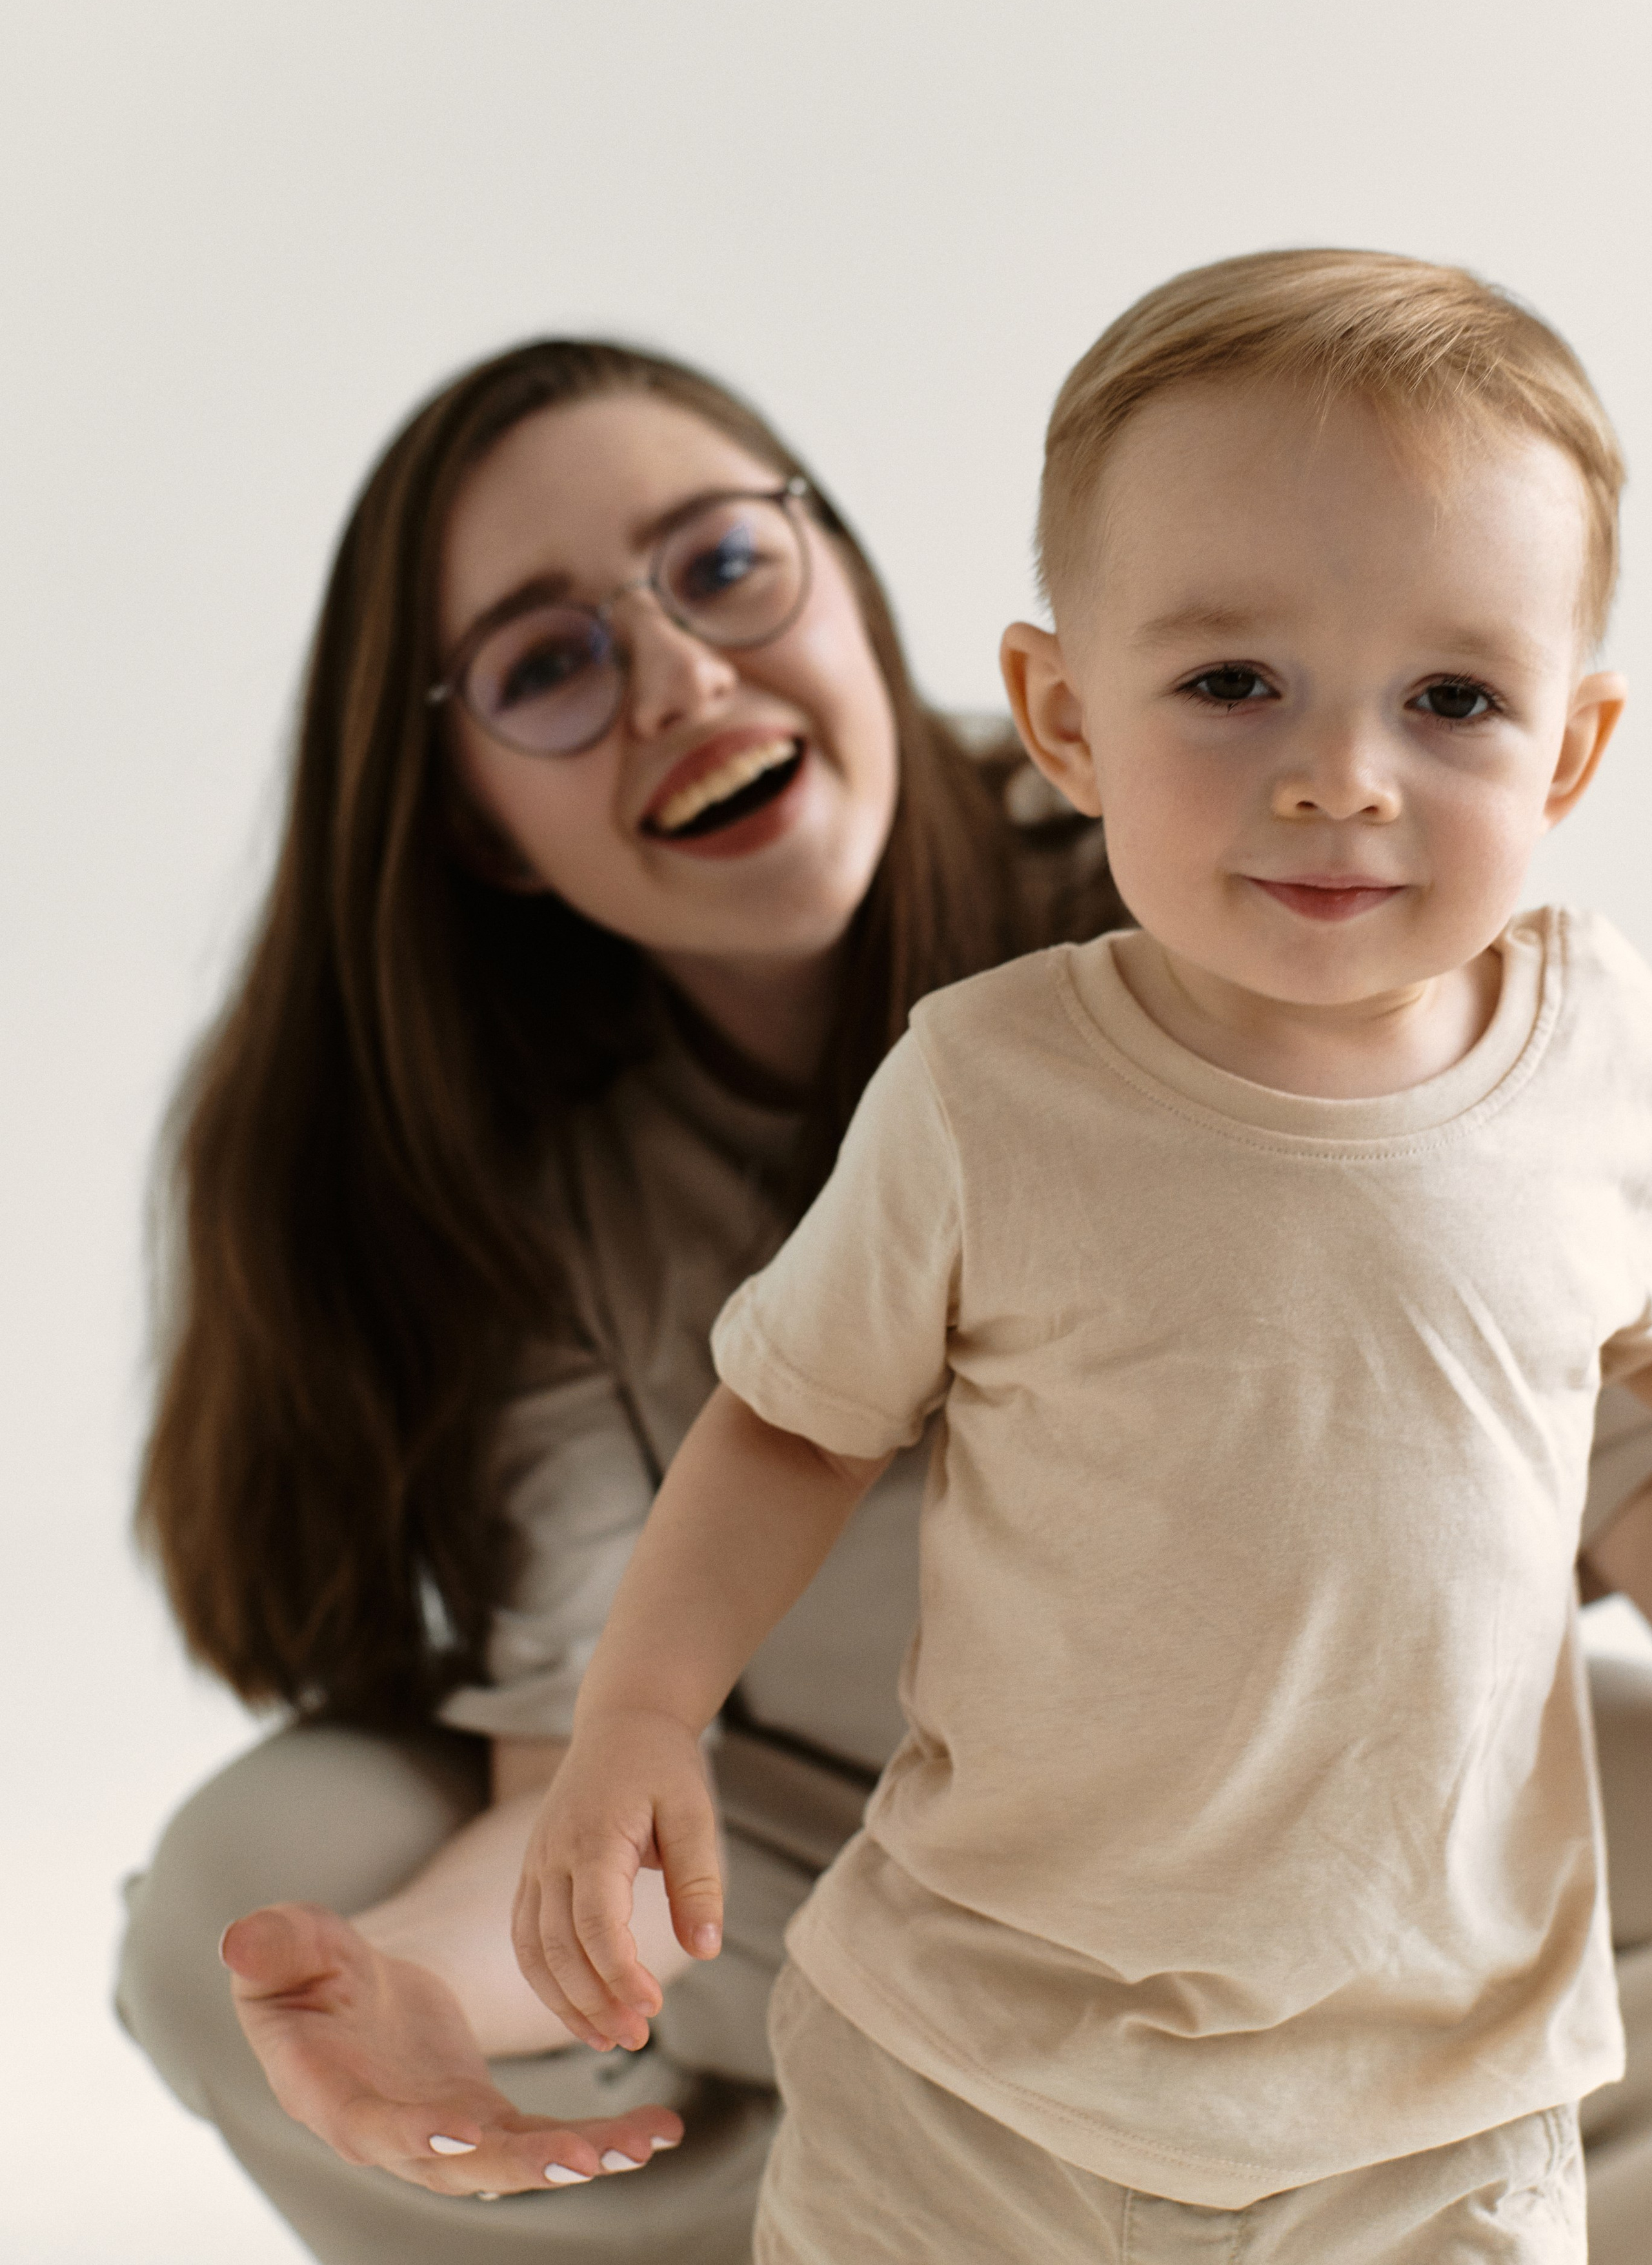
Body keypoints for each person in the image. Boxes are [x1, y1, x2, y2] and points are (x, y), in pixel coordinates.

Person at [516, 254, 1652, 2264]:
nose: (1343, 774)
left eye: (1455, 698)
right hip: (970, 2068)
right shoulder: (989, 1090)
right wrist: (636, 1717)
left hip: (1437, 2097)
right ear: (1063, 714)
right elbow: (787, 1421)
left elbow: (1629, 1413)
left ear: (1569, 752)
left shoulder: (1600, 1065)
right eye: (1233, 683)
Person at [116, 334, 1130, 2264]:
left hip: (1338, 1837)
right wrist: (398, 1987)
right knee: (232, 1911)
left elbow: (1583, 1380)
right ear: (486, 816)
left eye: (725, 566)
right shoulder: (550, 1188)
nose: (675, 676)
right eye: (549, 662)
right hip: (868, 1907)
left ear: (849, 573)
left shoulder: (1170, 867)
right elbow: (576, 1794)